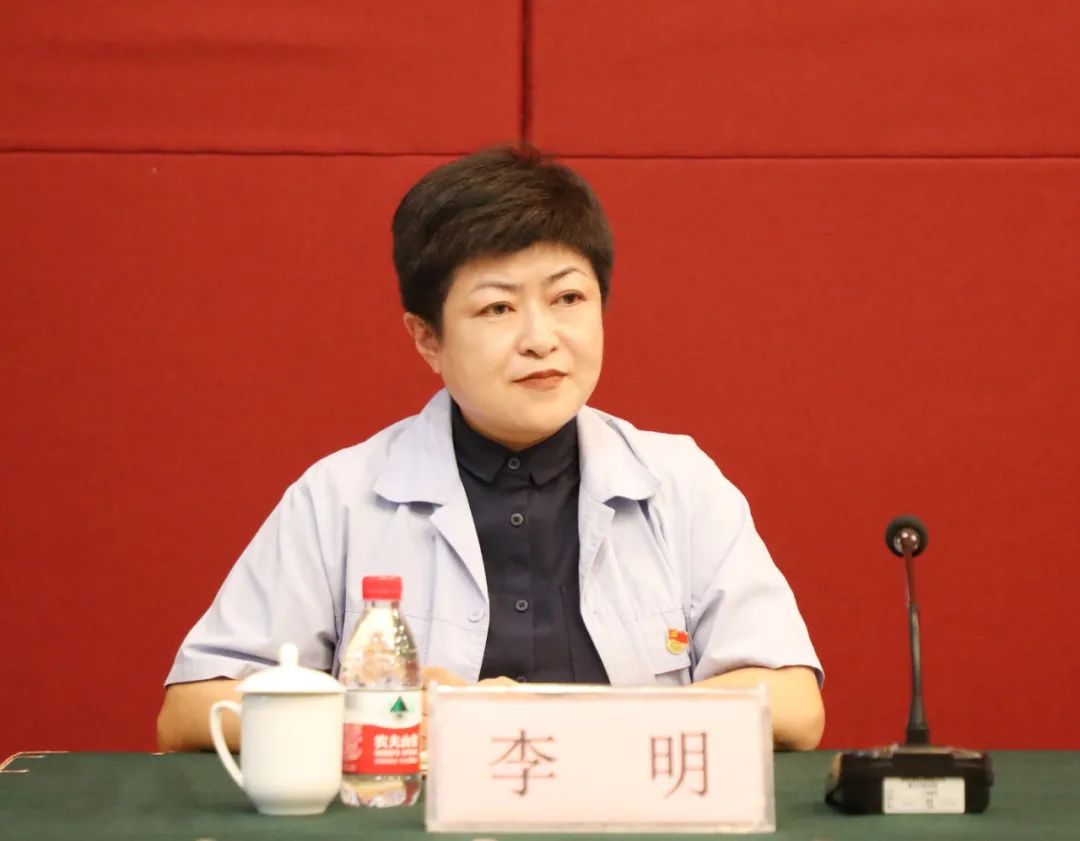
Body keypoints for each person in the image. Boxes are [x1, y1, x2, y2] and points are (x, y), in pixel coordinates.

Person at [156, 146, 824, 753]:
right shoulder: (340, 496)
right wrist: (383, 716)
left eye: (568, 297)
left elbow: (794, 703)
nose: (541, 338)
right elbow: (190, 710)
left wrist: (568, 720)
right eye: (498, 308)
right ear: (428, 339)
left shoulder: (680, 481)